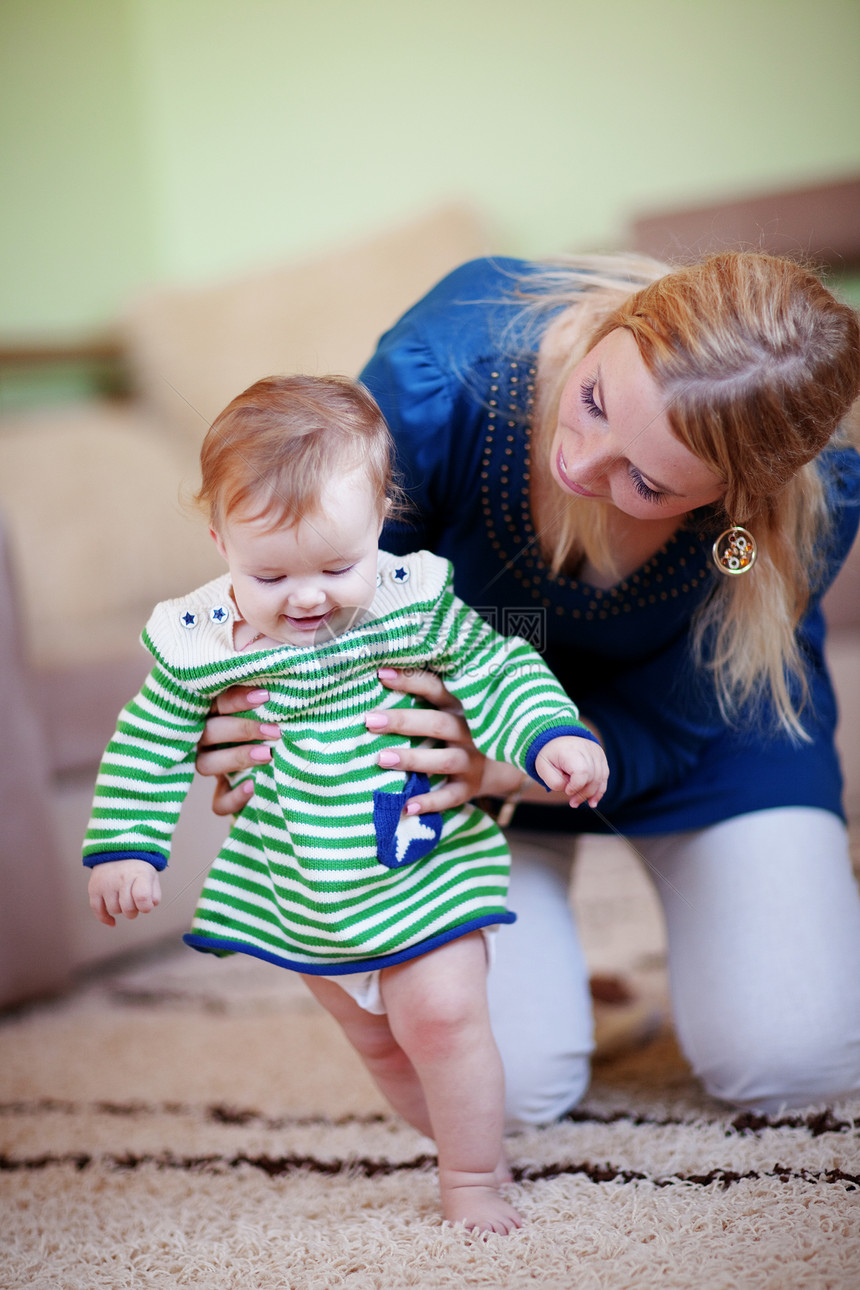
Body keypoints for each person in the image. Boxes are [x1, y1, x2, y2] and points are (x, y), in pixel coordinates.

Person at [195, 250, 860, 1124]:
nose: (584, 465)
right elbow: (311, 597)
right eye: (594, 402)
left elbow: (705, 698)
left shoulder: (779, 518)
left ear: (734, 497)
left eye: (649, 483)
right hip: (464, 725)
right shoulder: (443, 376)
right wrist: (250, 707)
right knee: (501, 1093)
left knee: (796, 1063)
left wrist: (530, 761)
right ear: (619, 328)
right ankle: (574, 992)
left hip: (700, 732)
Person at [83, 373, 609, 1234]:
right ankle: (454, 1131)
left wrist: (549, 735)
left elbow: (498, 665)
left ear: (379, 524)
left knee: (440, 1020)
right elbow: (147, 744)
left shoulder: (411, 609)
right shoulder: (203, 646)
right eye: (269, 572)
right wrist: (126, 848)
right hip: (306, 888)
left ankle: (473, 1176)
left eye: (338, 564)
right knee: (381, 1043)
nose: (307, 597)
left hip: (418, 861)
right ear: (219, 542)